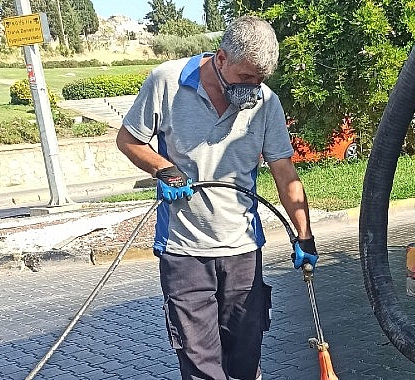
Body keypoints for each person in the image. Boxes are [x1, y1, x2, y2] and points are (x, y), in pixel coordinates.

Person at [116, 15, 319, 380]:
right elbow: (129, 141)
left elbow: (285, 173)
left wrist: (305, 234)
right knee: (201, 366)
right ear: (221, 58)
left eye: (260, 79)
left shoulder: (266, 103)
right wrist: (165, 169)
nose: (253, 88)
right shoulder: (166, 82)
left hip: (243, 251)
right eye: (246, 77)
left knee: (244, 361)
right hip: (184, 252)